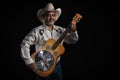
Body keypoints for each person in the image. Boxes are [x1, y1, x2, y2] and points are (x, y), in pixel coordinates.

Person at [20, 3, 79, 80]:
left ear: (55, 17)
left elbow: (73, 40)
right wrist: (28, 61)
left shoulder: (61, 30)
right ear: (44, 17)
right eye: (48, 15)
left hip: (57, 66)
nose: (51, 17)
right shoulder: (37, 31)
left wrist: (73, 31)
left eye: (53, 15)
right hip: (41, 66)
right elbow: (25, 44)